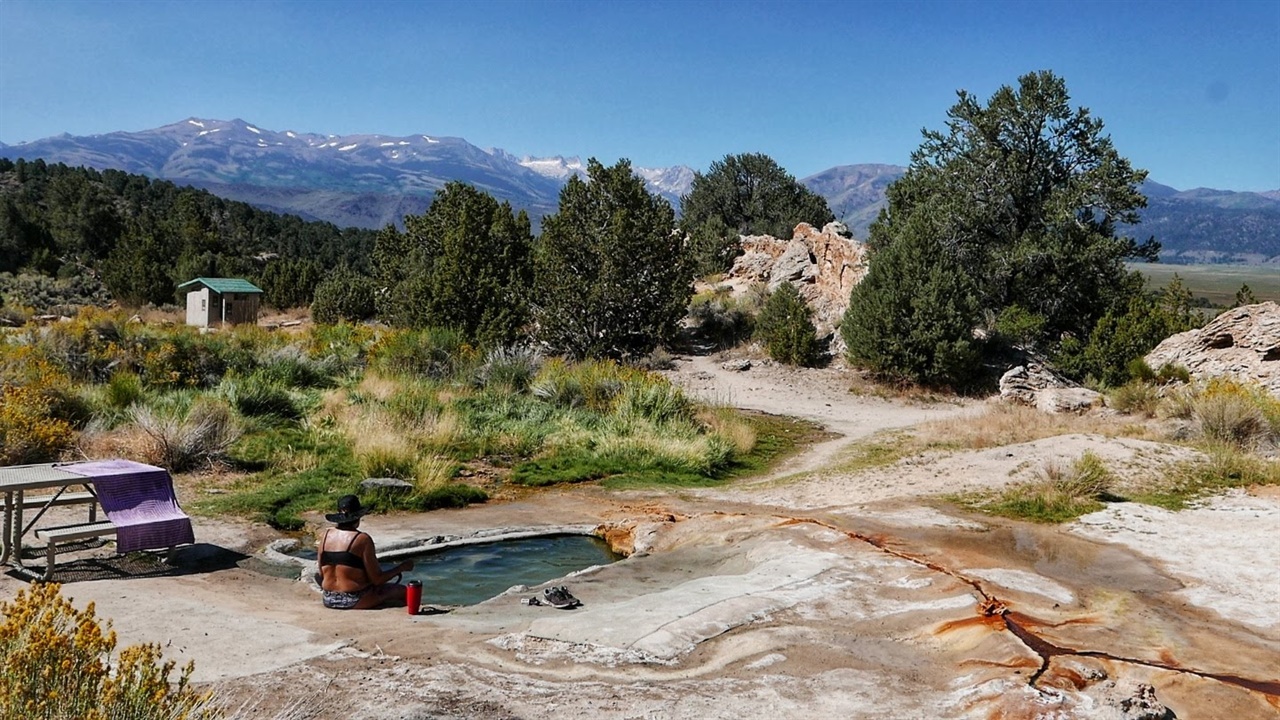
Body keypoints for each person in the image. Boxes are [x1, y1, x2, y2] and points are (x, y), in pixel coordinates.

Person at [317, 495, 414, 610]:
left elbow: (321, 574)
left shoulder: (325, 535)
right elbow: (377, 579)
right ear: (357, 517)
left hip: (328, 598)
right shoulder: (362, 539)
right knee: (404, 591)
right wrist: (401, 567)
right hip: (355, 599)